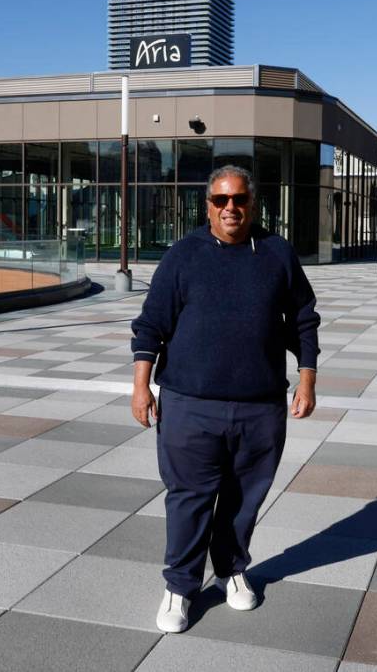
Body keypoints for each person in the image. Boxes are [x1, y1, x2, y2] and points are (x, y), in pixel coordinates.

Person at [130, 165, 320, 633]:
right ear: (208, 206)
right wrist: (141, 385)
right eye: (220, 200)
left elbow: (303, 318)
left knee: (244, 498)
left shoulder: (276, 252)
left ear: (252, 204)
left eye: (239, 200)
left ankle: (233, 569)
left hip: (260, 405)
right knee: (189, 497)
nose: (230, 208)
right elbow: (152, 323)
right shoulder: (183, 255)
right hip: (189, 404)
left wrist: (308, 378)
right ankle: (180, 587)